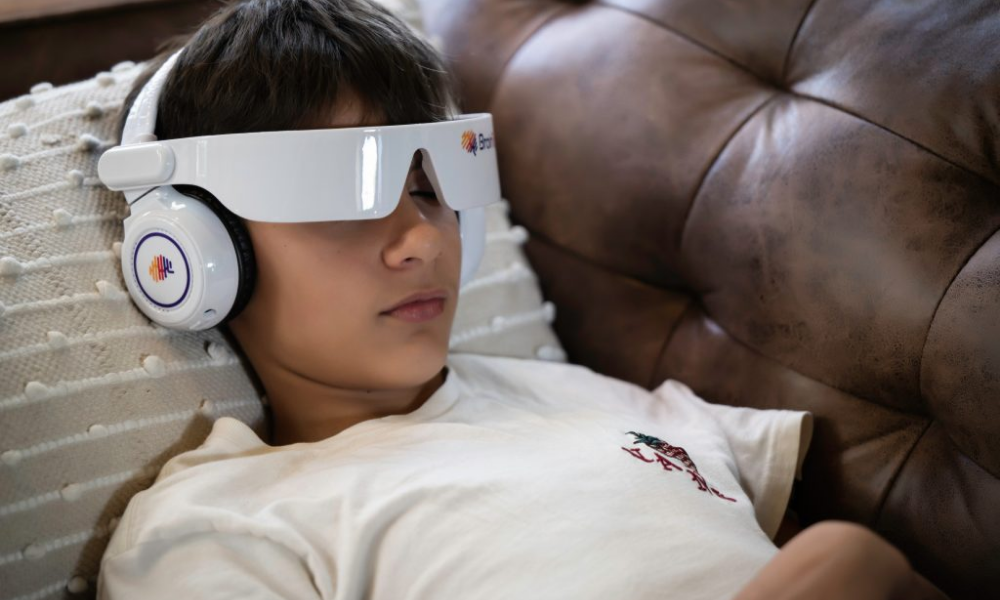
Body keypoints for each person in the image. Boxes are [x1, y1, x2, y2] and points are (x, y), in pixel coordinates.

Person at [95, 1, 948, 598]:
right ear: (197, 249)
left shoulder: (592, 399)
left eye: (432, 186)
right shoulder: (218, 523)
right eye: (344, 195)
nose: (422, 238)